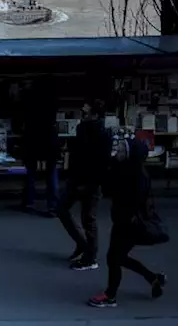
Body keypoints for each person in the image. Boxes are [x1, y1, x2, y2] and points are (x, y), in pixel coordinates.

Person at [89, 137, 167, 308]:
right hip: (123, 220)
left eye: (122, 151)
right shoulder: (125, 168)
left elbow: (127, 198)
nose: (118, 152)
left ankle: (110, 295)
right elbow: (108, 186)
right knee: (119, 257)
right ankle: (153, 278)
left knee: (114, 258)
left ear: (131, 155)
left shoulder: (137, 177)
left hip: (129, 224)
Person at [57, 99, 111, 270]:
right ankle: (83, 245)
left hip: (91, 181)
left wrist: (93, 183)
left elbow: (102, 163)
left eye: (85, 113)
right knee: (62, 209)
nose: (81, 115)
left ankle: (91, 257)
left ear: (95, 115)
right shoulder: (82, 128)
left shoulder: (103, 134)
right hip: (76, 177)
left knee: (89, 219)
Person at [17, 78, 61, 217]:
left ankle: (29, 201)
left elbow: (21, 116)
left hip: (33, 138)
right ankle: (53, 206)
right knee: (51, 173)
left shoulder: (28, 98)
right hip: (49, 139)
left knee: (31, 172)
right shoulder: (52, 99)